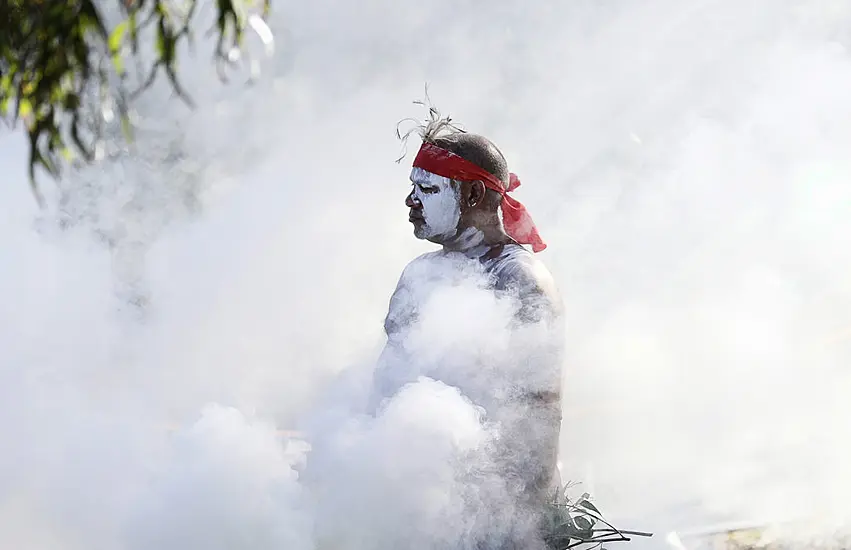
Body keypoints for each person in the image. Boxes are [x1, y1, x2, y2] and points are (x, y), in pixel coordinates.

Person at [369, 116, 566, 537]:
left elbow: (538, 420)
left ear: (474, 193)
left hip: (497, 519)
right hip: (422, 510)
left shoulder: (520, 281)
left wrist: (521, 530)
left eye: (427, 189)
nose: (410, 201)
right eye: (412, 188)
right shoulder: (418, 274)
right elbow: (386, 388)